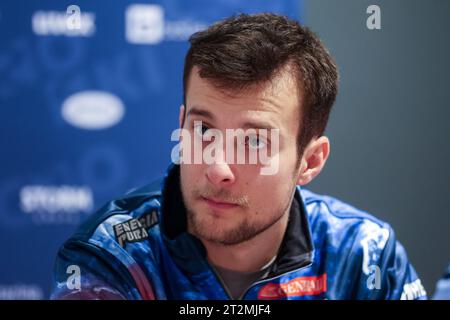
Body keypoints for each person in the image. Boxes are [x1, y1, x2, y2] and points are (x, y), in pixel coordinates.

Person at [51, 13, 427, 300]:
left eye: (254, 142)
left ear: (309, 161)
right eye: (203, 131)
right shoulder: (112, 254)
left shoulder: (364, 255)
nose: (217, 168)